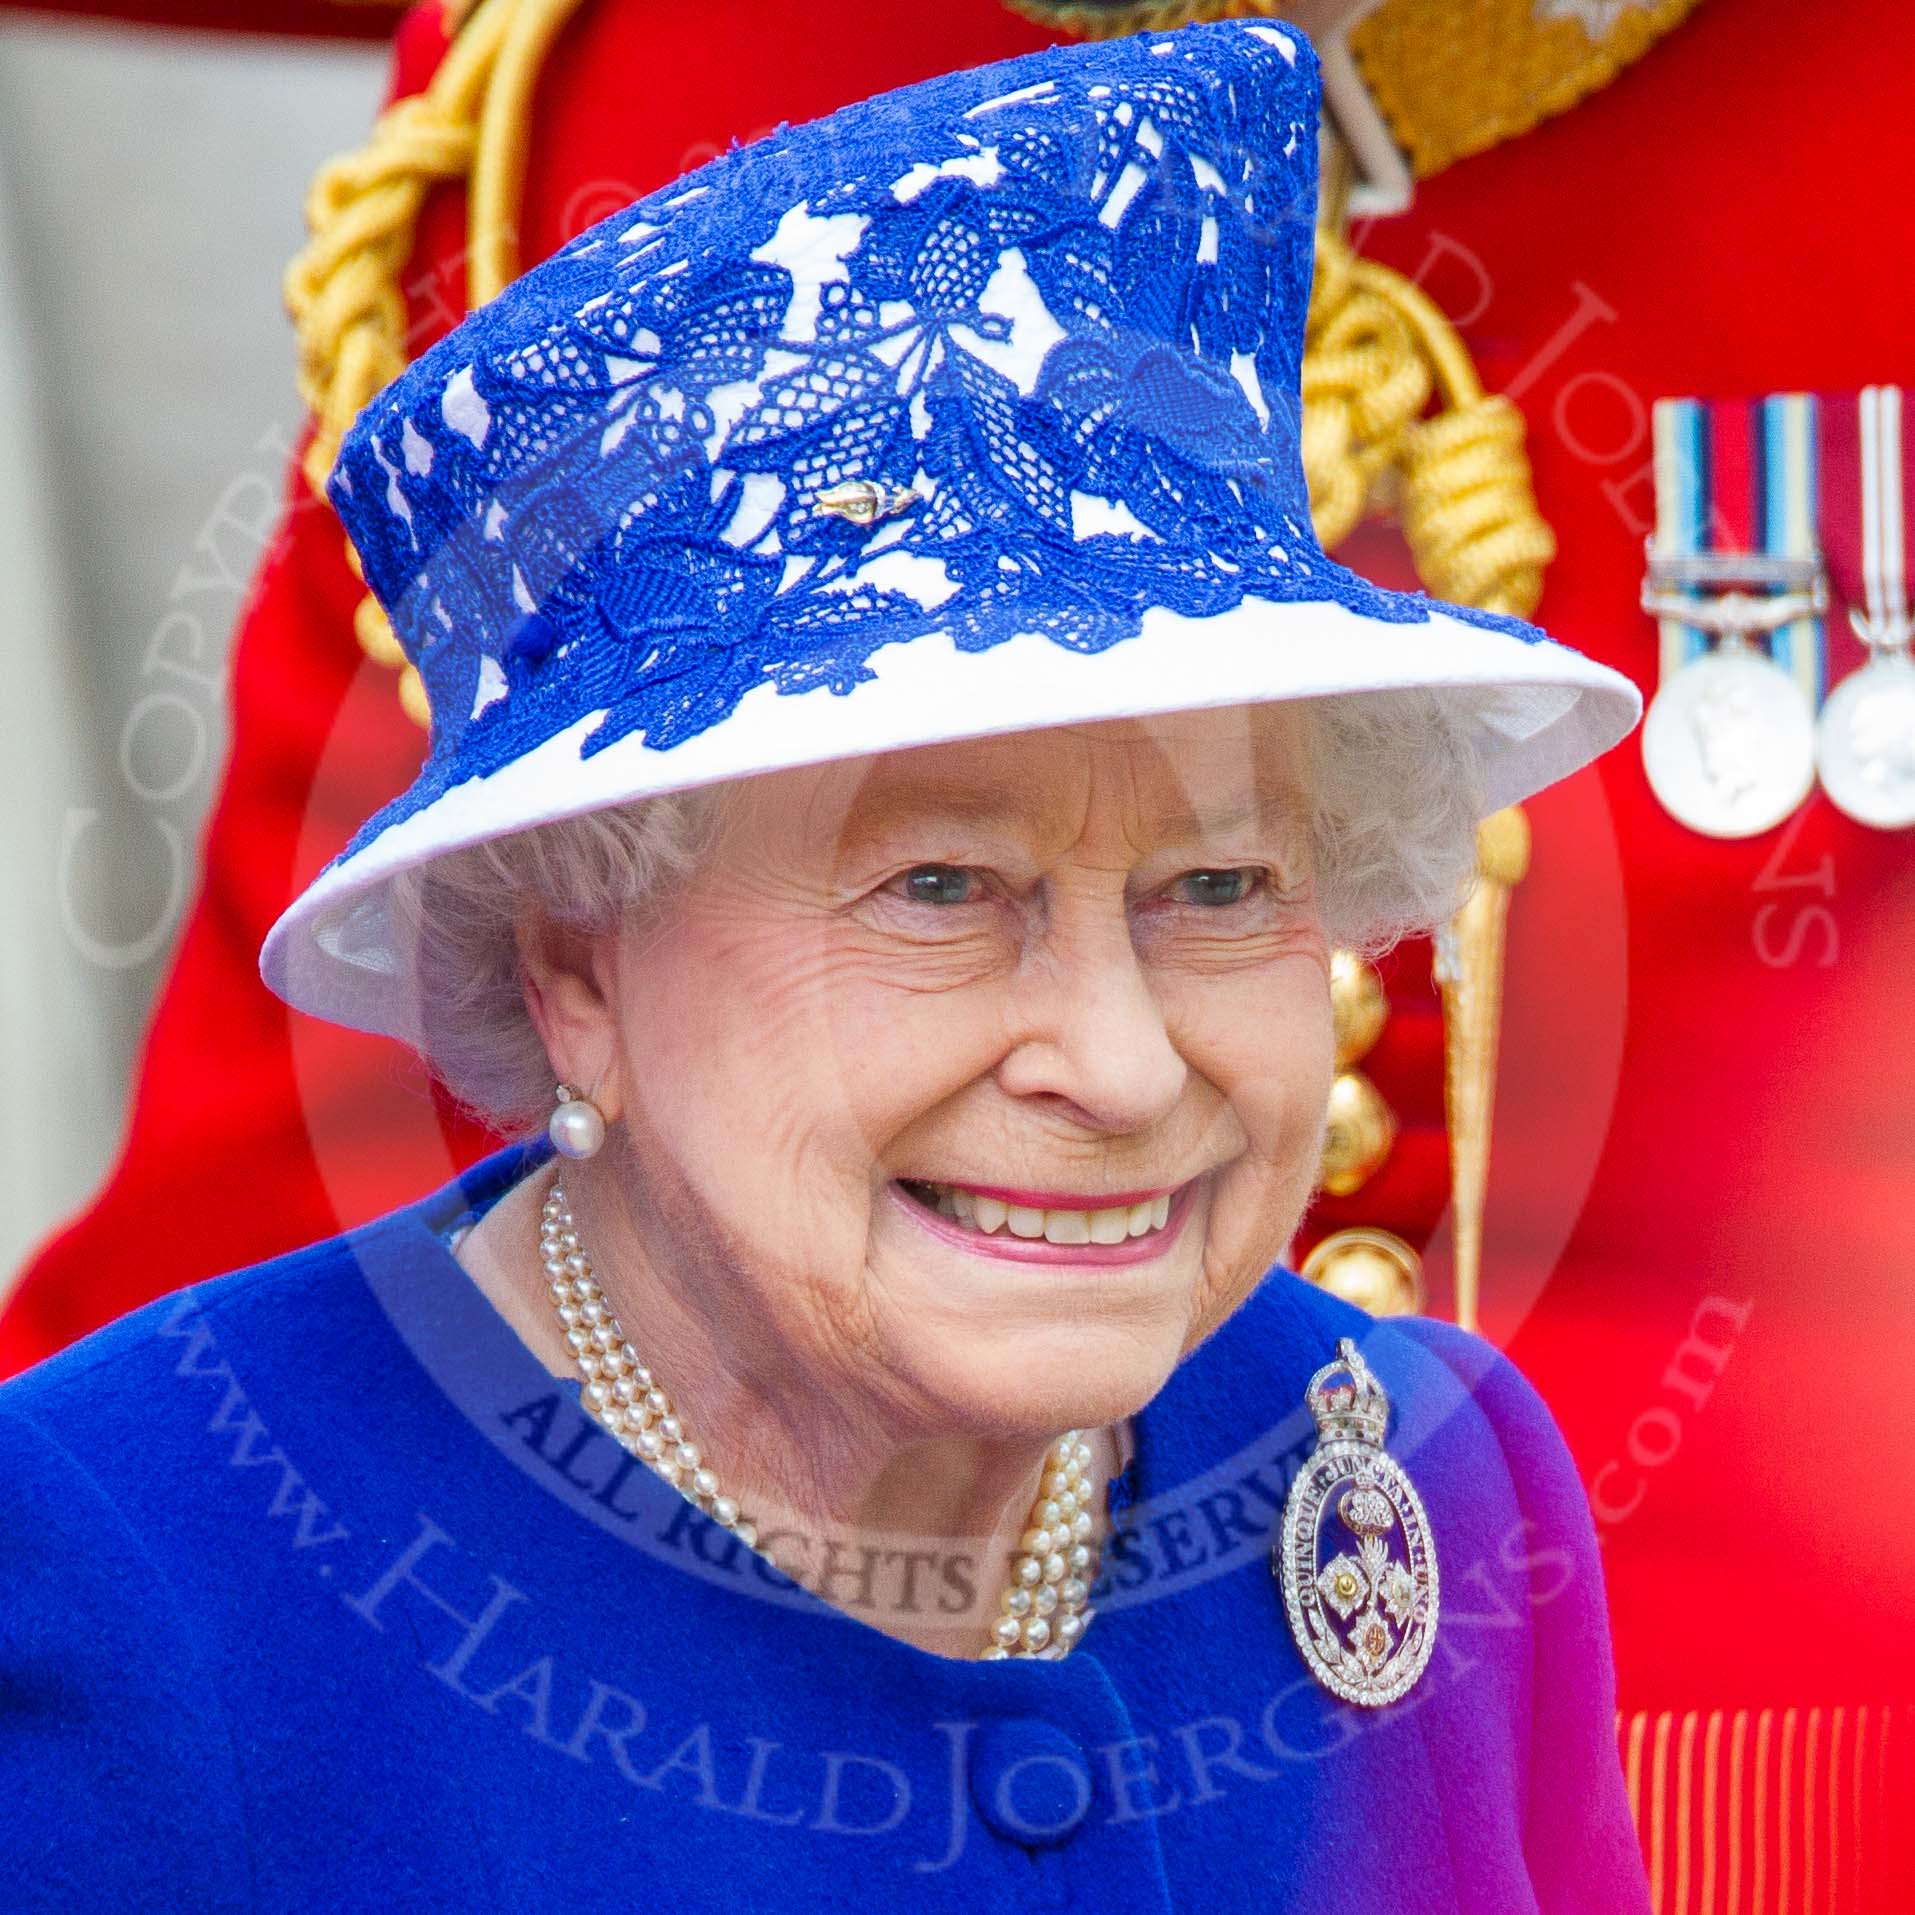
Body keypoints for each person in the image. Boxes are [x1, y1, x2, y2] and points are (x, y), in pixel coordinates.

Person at [0, 20, 1651, 1910]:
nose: (1119, 1067)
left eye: (1216, 888)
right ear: (574, 973)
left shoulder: (1424, 1478)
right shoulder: (135, 1594)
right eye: (941, 889)